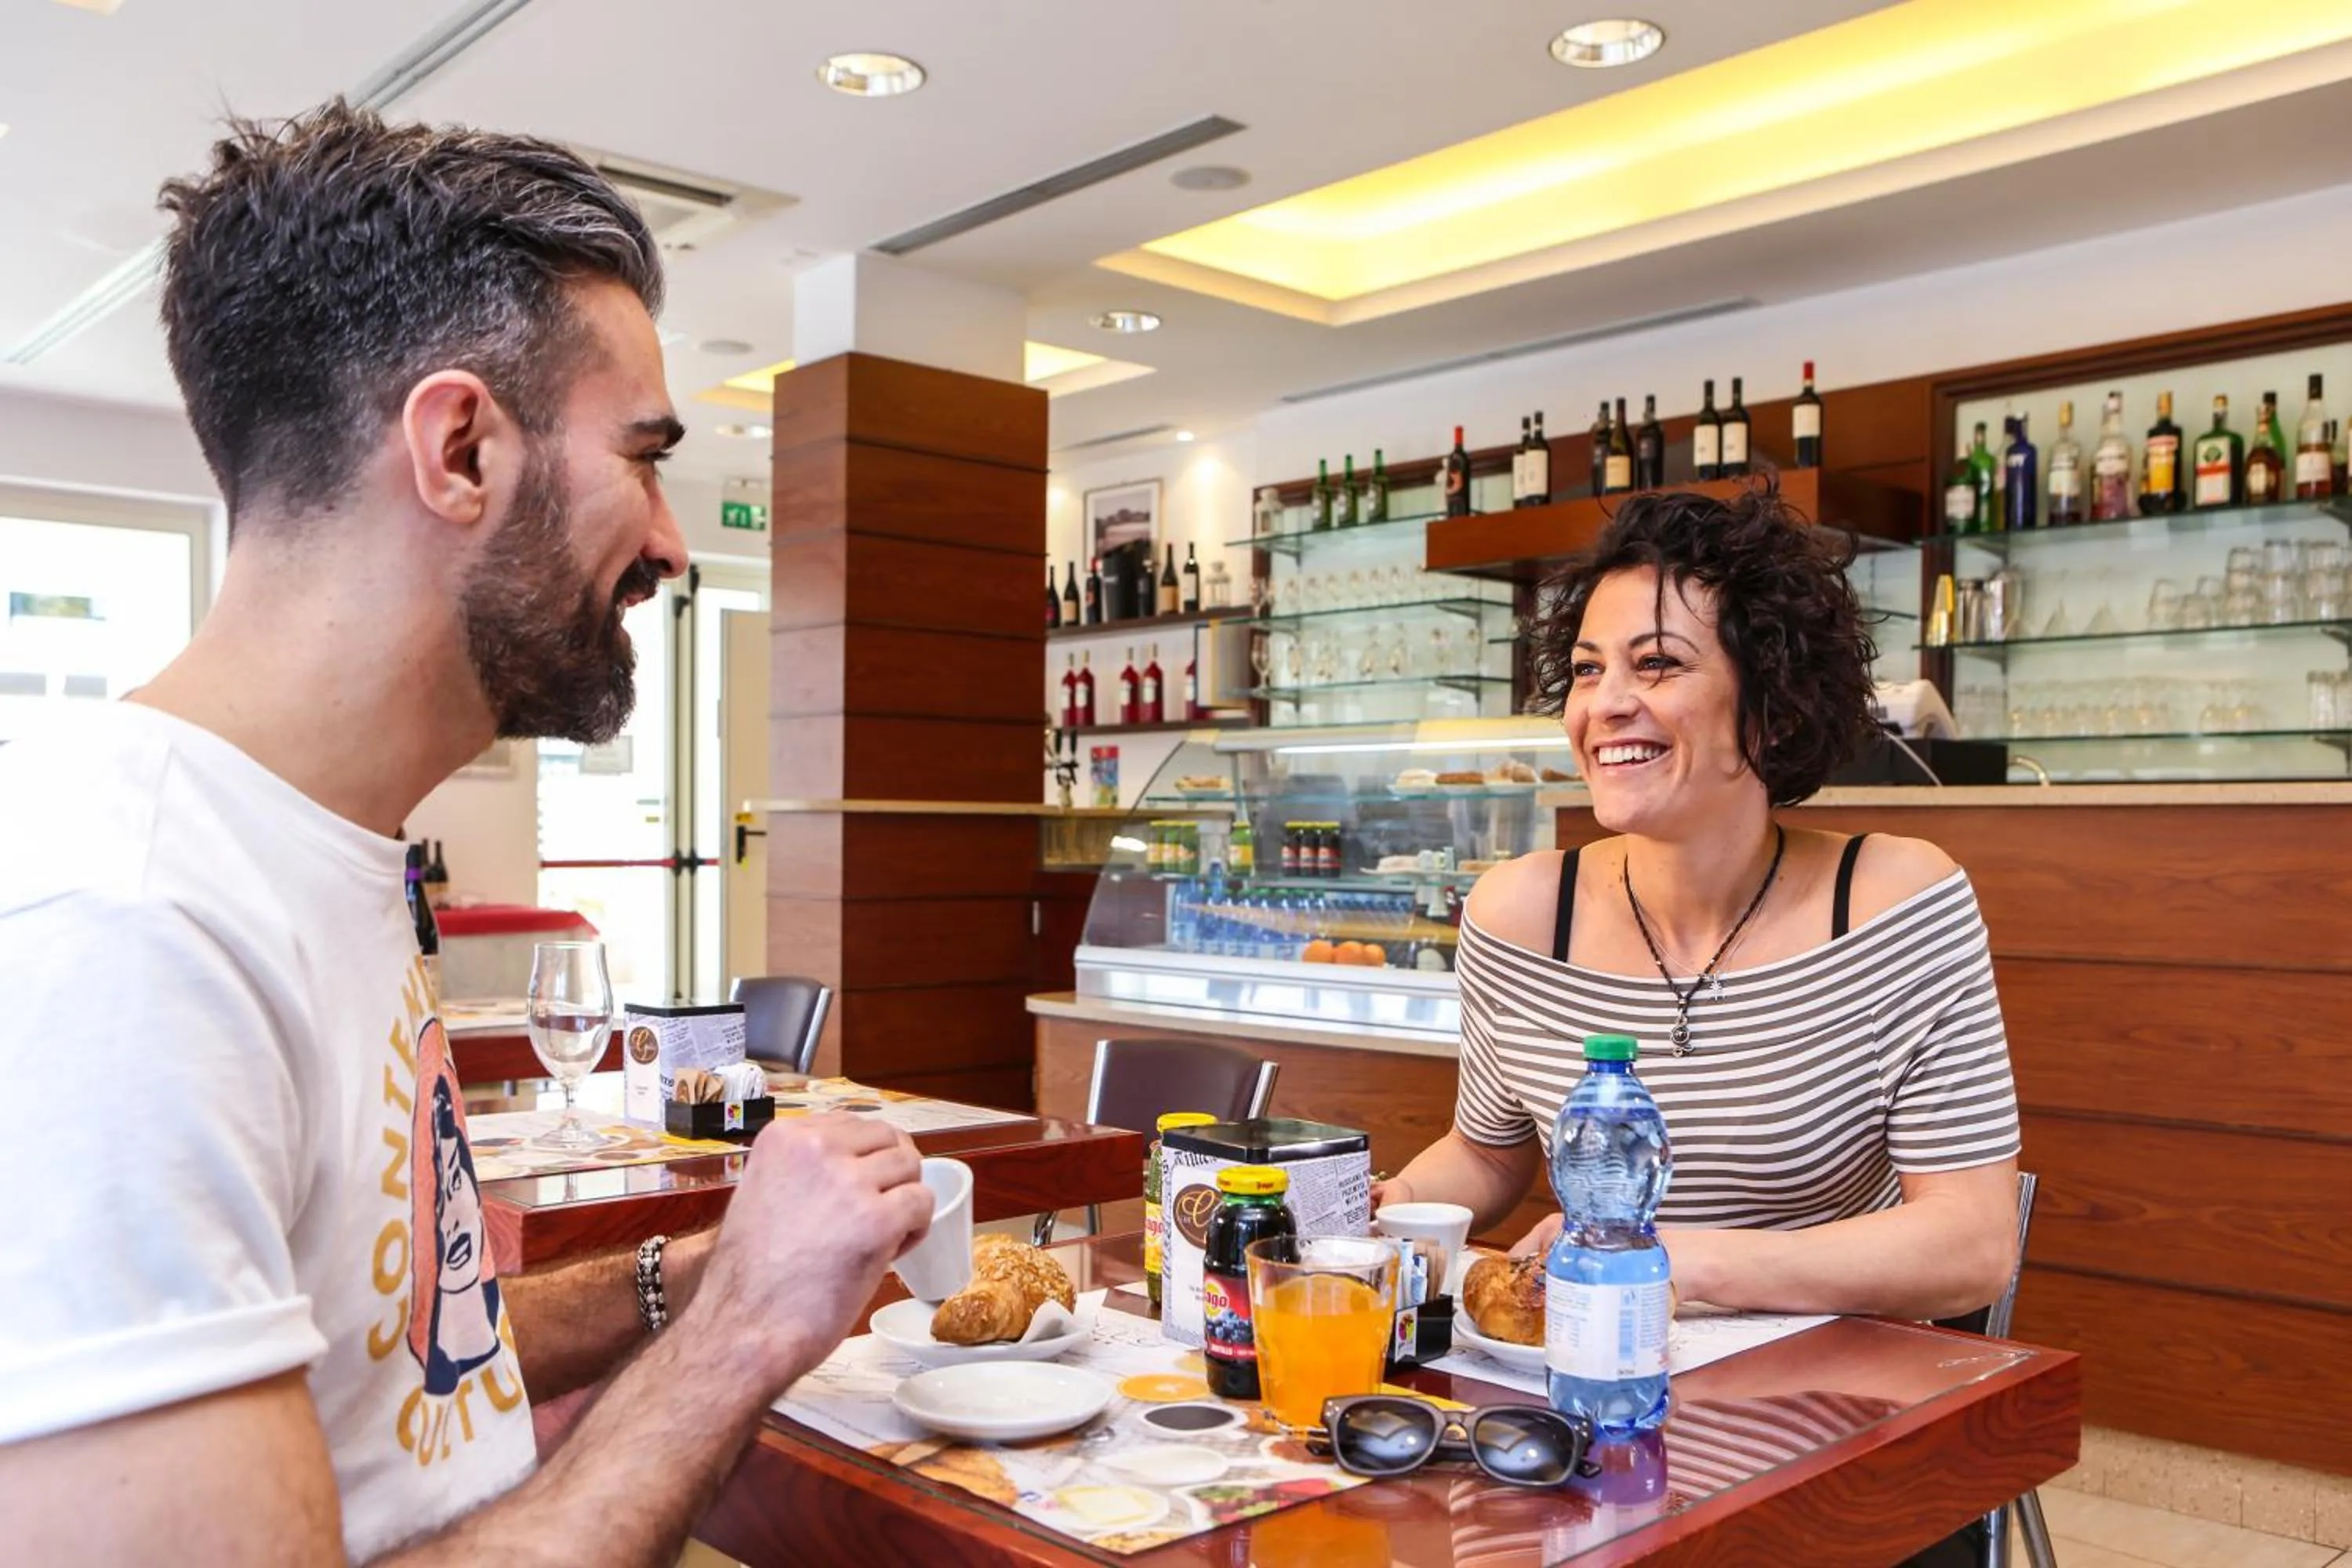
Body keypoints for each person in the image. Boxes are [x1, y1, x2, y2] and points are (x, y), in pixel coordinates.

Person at [0, 102, 937, 1565]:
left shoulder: (310, 851)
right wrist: (748, 1328)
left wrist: (700, 1276)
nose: (673, 542)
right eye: (644, 457)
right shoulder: (124, 931)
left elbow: (396, 1357)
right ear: (459, 449)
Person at [1377, 485, 2021, 1323]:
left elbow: (1973, 1244)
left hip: (1827, 1372)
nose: (1605, 703)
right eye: (1587, 669)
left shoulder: (1891, 904)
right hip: (1595, 1357)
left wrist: (1680, 1262)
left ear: (1773, 707)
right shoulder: (1521, 916)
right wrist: (1397, 1204)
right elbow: (1487, 1151)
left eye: (1657, 663)